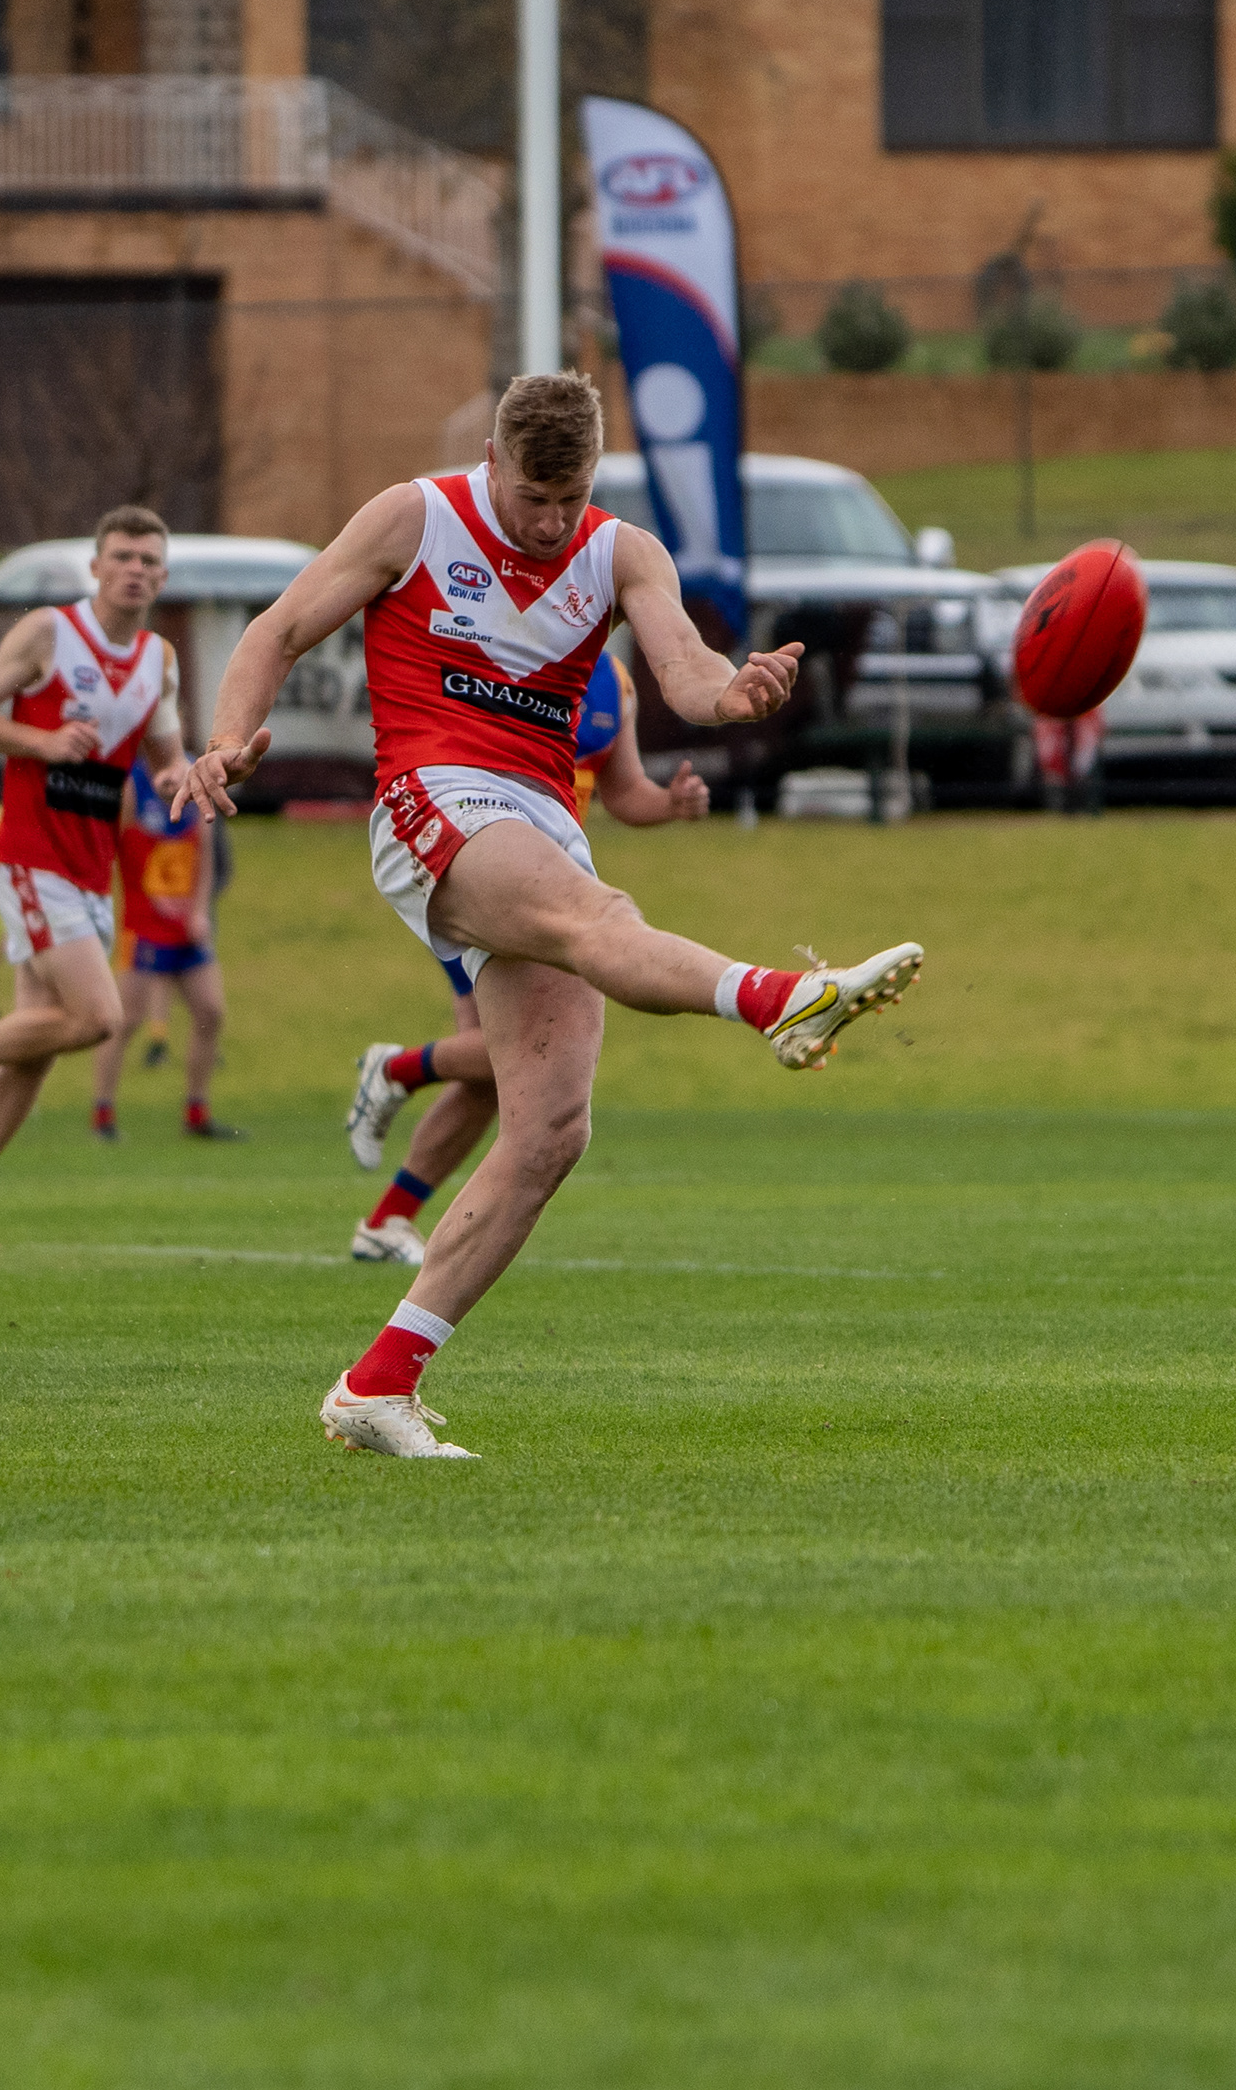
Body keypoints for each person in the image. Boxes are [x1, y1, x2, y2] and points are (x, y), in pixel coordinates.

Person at [178, 373, 922, 1460]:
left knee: (550, 1134)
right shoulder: (414, 518)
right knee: (596, 918)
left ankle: (377, 1387)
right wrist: (224, 739)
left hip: (540, 817)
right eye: (533, 497)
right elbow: (277, 629)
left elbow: (685, 667)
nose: (550, 521)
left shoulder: (621, 552)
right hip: (430, 793)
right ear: (492, 460)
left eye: (570, 498)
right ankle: (781, 998)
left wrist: (733, 695)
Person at [341, 643, 709, 1263]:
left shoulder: (614, 680)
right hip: (477, 867)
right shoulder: (502, 643)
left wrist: (669, 804)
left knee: (498, 1074)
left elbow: (623, 792)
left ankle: (387, 1218)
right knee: (508, 1056)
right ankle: (396, 1070)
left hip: (552, 891)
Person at [0, 508, 185, 1249]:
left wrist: (192, 775)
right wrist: (43, 742)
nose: (135, 571)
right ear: (96, 567)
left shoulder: (159, 658)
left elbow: (166, 758)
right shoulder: (50, 634)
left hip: (92, 871)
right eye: (122, 556)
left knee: (35, 1055)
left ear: (163, 576)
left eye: (149, 561)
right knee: (97, 1019)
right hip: (32, 857)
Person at [90, 761, 240, 1142]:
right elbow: (111, 845)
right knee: (125, 1020)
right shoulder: (132, 785)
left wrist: (200, 911)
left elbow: (204, 856)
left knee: (210, 1011)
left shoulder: (194, 774)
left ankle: (196, 1112)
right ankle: (102, 1113)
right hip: (142, 927)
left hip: (186, 927)